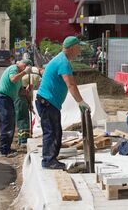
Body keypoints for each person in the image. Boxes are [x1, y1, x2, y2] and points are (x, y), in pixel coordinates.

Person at [36, 36, 91, 170]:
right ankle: (48, 160)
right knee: (51, 132)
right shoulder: (63, 62)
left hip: (49, 102)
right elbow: (71, 84)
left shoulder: (61, 59)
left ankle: (51, 158)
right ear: (72, 48)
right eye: (78, 48)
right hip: (47, 102)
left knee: (56, 132)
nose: (79, 51)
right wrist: (81, 102)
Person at [0, 59, 33, 157]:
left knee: (11, 124)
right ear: (23, 65)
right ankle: (3, 150)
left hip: (9, 100)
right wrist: (24, 72)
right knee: (7, 123)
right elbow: (12, 79)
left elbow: (19, 91)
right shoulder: (13, 69)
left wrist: (26, 91)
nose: (25, 69)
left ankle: (6, 148)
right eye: (25, 67)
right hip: (3, 98)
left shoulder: (19, 76)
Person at [14, 66, 44, 147]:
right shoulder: (36, 76)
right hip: (21, 96)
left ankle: (20, 139)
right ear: (41, 69)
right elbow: (28, 90)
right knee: (23, 118)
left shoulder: (32, 69)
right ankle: (23, 140)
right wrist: (29, 104)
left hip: (16, 94)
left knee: (19, 117)